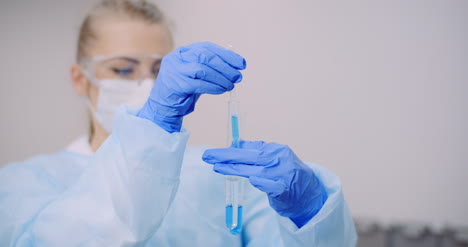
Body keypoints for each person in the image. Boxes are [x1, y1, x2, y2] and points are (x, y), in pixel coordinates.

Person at [0, 0, 357, 246]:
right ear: (80, 79)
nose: (147, 84)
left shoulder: (218, 174)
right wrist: (152, 125)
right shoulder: (20, 184)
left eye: (159, 70)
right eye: (123, 69)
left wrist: (309, 215)